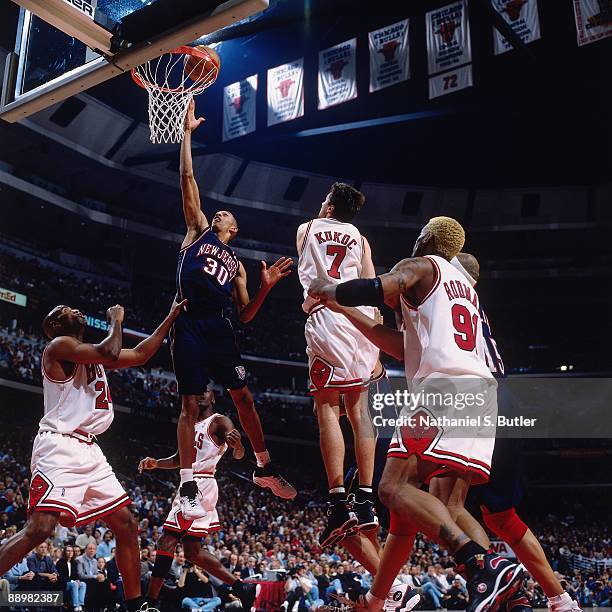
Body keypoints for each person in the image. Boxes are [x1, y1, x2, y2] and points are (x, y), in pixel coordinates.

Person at [308, 216, 525, 612]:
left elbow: (377, 287)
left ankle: (480, 565)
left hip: (442, 388)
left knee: (390, 489)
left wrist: (331, 288)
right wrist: (341, 308)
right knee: (408, 509)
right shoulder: (461, 292)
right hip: (479, 395)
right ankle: (386, 599)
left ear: (426, 238)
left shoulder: (423, 264)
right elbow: (402, 347)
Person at [0, 299, 185, 612]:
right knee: (41, 529)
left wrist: (170, 316)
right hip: (59, 445)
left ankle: (136, 605)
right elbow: (111, 351)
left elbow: (141, 354)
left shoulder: (88, 354)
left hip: (89, 449)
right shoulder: (58, 346)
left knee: (126, 524)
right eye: (64, 311)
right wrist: (116, 319)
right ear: (55, 326)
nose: (74, 310)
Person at [173, 98, 296, 518]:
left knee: (243, 398)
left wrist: (264, 289)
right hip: (188, 321)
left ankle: (264, 466)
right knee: (189, 408)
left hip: (220, 328)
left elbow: (245, 315)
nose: (219, 211)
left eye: (226, 213)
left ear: (235, 229)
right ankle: (188, 484)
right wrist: (187, 133)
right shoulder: (198, 230)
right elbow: (187, 176)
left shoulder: (239, 265)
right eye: (218, 211)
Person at [451, 252, 581, 612]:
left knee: (438, 502)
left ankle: (496, 577)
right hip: (505, 398)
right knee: (500, 516)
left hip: (472, 398)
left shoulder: (440, 293)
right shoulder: (473, 303)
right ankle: (559, 599)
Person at [296, 182, 380, 546]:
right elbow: (373, 285)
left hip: (327, 317)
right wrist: (376, 343)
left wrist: (324, 214)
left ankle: (336, 503)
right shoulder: (361, 240)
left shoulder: (307, 228)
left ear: (329, 206)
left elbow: (312, 260)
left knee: (327, 409)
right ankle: (364, 499)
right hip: (362, 322)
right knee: (359, 411)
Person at [138, 389, 256, 611]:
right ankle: (241, 587)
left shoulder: (219, 421)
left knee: (167, 540)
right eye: (197, 390)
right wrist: (156, 463)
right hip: (190, 482)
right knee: (192, 552)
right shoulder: (189, 423)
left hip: (200, 484)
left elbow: (238, 454)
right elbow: (178, 459)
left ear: (213, 397)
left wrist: (239, 446)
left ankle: (150, 603)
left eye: (206, 391)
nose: (200, 394)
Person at [57, 544, 86, 611]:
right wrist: (73, 581)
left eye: (71, 551)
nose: (70, 553)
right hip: (63, 583)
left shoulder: (74, 562)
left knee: (83, 584)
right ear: (64, 552)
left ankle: (80, 605)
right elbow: (61, 576)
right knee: (74, 584)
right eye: (68, 551)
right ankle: (75, 605)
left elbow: (75, 575)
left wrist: (77, 580)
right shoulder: (60, 562)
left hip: (72, 582)